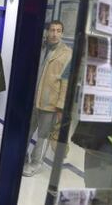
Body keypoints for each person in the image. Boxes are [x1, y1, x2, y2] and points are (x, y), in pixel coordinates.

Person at [22, 20, 73, 177]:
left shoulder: (67, 53)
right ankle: (23, 158)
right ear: (47, 32)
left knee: (43, 136)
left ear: (62, 33)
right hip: (33, 100)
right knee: (27, 132)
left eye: (58, 30)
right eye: (52, 30)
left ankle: (36, 163)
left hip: (50, 103)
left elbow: (66, 82)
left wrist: (60, 106)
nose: (54, 34)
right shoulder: (41, 48)